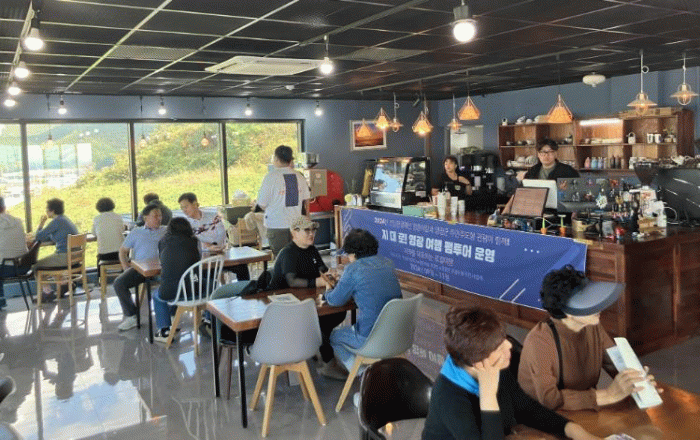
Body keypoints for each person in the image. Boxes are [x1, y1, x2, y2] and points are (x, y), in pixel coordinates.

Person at [422, 305, 602, 440]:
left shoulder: (495, 367)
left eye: (504, 338)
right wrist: (488, 395)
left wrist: (572, 429)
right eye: (498, 346)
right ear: (479, 362)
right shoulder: (449, 397)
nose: (509, 345)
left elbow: (525, 408)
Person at [518, 266, 661, 410]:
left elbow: (615, 363)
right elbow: (549, 399)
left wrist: (639, 384)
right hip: (542, 415)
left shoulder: (592, 327)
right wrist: (609, 395)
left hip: (584, 409)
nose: (598, 307)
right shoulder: (539, 341)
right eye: (587, 302)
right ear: (568, 312)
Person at [268, 216, 344, 375]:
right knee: (316, 322)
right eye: (307, 230)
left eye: (313, 230)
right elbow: (292, 281)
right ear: (294, 233)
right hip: (285, 307)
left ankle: (317, 346)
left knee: (337, 312)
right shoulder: (288, 253)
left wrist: (330, 275)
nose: (312, 234)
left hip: (307, 301)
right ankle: (327, 360)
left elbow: (322, 269)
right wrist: (318, 282)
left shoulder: (312, 250)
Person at [325, 229, 402, 375]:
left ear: (353, 254)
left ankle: (361, 373)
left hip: (370, 338)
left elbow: (335, 301)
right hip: (399, 334)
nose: (348, 258)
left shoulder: (353, 269)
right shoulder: (388, 263)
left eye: (348, 254)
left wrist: (328, 289)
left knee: (334, 336)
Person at [114, 204, 166, 331]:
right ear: (145, 218)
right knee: (119, 283)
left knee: (174, 283)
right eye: (155, 216)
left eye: (160, 215)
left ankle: (170, 316)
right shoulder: (136, 232)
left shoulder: (166, 230)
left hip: (163, 269)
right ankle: (132, 316)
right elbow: (122, 251)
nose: (159, 218)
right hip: (141, 269)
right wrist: (126, 267)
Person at [256, 145, 311, 256]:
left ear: (276, 159)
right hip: (296, 226)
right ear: (290, 160)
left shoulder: (270, 177)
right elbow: (306, 202)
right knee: (296, 259)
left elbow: (262, 204)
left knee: (281, 260)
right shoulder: (299, 176)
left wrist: (255, 207)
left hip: (277, 226)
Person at [153, 217, 200, 343]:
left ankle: (164, 330)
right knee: (212, 284)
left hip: (170, 290)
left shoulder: (163, 242)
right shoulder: (193, 241)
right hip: (193, 289)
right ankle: (208, 320)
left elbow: (162, 262)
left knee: (157, 295)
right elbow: (197, 261)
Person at [33, 198, 79, 301]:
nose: (46, 211)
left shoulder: (57, 221)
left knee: (36, 266)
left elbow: (38, 237)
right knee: (50, 262)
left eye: (47, 209)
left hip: (65, 257)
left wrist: (41, 224)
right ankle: (65, 283)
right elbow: (51, 236)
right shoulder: (65, 219)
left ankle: (48, 293)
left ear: (52, 210)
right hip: (75, 257)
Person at [0, 196, 28, 310]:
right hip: (24, 266)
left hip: (7, 268)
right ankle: (1, 300)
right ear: (4, 207)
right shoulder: (18, 221)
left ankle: (1, 300)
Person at [92, 197, 124, 267]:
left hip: (104, 255)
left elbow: (94, 233)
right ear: (112, 206)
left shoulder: (97, 219)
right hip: (120, 253)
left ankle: (100, 273)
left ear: (98, 208)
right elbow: (122, 230)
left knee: (99, 257)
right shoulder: (118, 217)